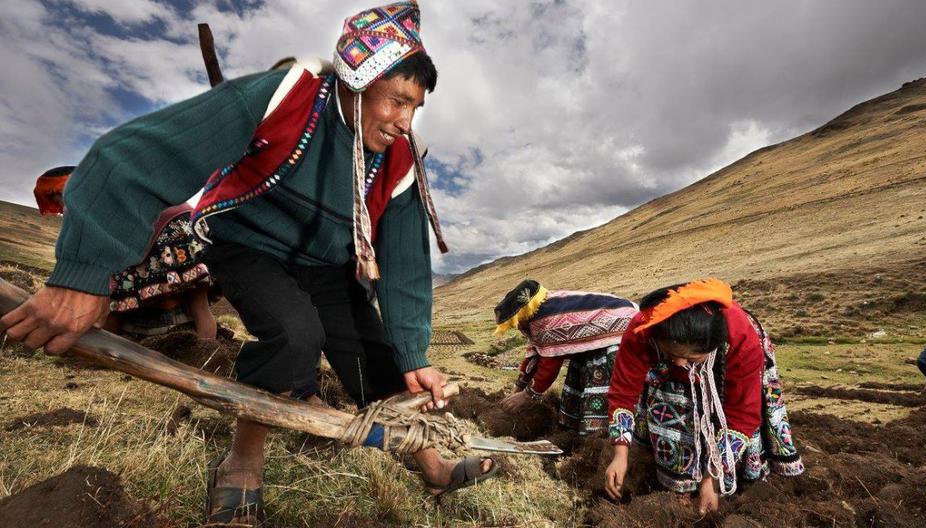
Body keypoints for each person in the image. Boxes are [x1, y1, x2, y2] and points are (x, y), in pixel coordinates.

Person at [1, 2, 496, 525]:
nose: (405, 121)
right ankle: (242, 459)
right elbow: (130, 156)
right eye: (397, 101)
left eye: (416, 108)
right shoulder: (287, 94)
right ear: (359, 79)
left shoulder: (399, 161)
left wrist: (414, 352)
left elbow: (405, 263)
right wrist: (83, 273)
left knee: (380, 356)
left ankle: (430, 461)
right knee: (293, 332)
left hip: (325, 262)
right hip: (244, 241)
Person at [603, 279, 804, 514]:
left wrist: (713, 478)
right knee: (672, 413)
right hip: (670, 357)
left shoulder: (742, 344)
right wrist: (620, 454)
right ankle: (676, 484)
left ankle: (730, 480)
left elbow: (742, 414)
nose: (680, 364)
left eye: (690, 359)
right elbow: (623, 391)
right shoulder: (645, 326)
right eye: (672, 354)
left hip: (729, 363)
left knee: (732, 422)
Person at [33, 166, 217, 339]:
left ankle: (100, 354)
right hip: (188, 223)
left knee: (115, 301)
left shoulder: (88, 201)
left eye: (59, 200)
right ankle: (205, 355)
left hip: (165, 231)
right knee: (197, 304)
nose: (62, 208)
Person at [494, 280, 638, 435]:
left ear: (522, 313)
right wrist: (518, 388)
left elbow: (549, 365)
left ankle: (602, 436)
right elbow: (534, 355)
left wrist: (526, 395)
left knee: (600, 383)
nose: (517, 327)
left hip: (617, 336)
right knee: (579, 377)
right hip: (589, 345)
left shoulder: (547, 319)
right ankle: (576, 430)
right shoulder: (538, 313)